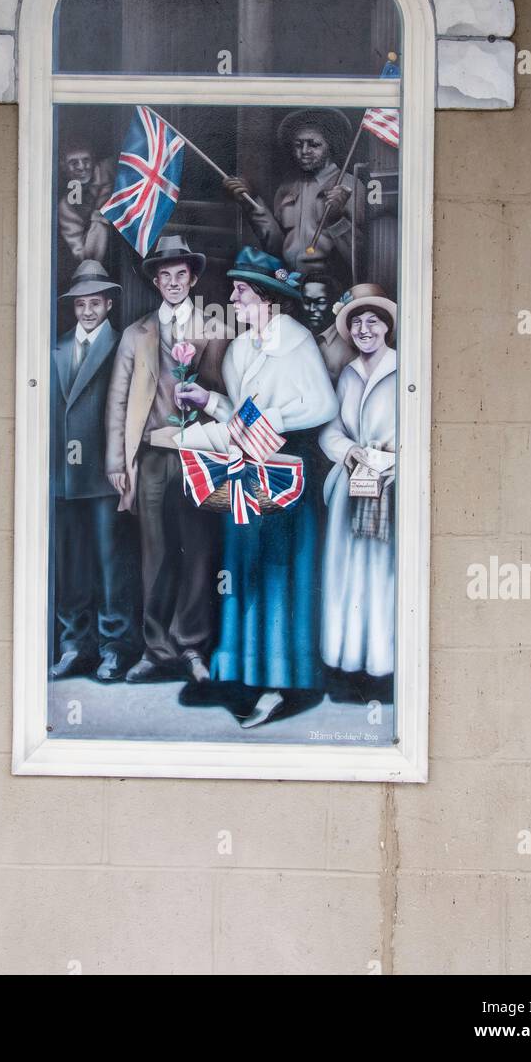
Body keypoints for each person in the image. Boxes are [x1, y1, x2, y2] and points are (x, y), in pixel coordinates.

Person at [175, 247, 338, 729]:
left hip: (287, 476)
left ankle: (281, 681)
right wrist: (209, 400)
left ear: (265, 297)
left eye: (241, 291)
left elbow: (323, 405)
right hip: (248, 473)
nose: (233, 298)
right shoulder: (242, 348)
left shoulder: (297, 341)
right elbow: (242, 415)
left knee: (278, 575)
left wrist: (276, 421)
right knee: (242, 568)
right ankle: (244, 673)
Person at [105, 235, 227, 683]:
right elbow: (117, 400)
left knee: (197, 550)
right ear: (156, 282)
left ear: (192, 279)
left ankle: (192, 646)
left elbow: (225, 391)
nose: (174, 283)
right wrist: (117, 462)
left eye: (181, 275)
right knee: (155, 554)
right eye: (165, 276)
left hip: (199, 454)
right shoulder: (136, 334)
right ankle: (156, 649)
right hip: (153, 455)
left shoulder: (214, 329)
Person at [50, 261, 138, 682]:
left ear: (108, 305)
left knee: (110, 565)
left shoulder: (122, 347)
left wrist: (122, 466)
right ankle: (73, 646)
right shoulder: (57, 347)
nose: (87, 311)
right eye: (80, 304)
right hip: (63, 475)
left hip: (104, 475)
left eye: (95, 303)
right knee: (72, 564)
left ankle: (114, 648)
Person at [319, 286, 398, 694]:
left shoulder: (404, 371)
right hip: (351, 486)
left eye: (372, 321)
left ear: (387, 326)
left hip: (389, 487)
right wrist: (349, 451)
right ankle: (347, 661)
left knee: (380, 574)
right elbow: (330, 430)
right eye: (356, 322)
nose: (364, 329)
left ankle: (381, 664)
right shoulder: (348, 375)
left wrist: (393, 462)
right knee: (346, 574)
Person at [222, 109, 360, 286]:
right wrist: (251, 201)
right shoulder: (286, 189)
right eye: (298, 145)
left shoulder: (350, 186)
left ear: (330, 145)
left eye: (314, 144)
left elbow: (361, 256)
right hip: (290, 283)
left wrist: (336, 220)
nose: (304, 151)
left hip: (329, 286)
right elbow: (275, 245)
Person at [57, 139, 115, 265]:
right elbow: (81, 253)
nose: (81, 167)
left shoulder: (109, 169)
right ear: (63, 166)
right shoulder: (67, 206)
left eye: (86, 160)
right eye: (74, 162)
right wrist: (98, 220)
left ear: (93, 160)